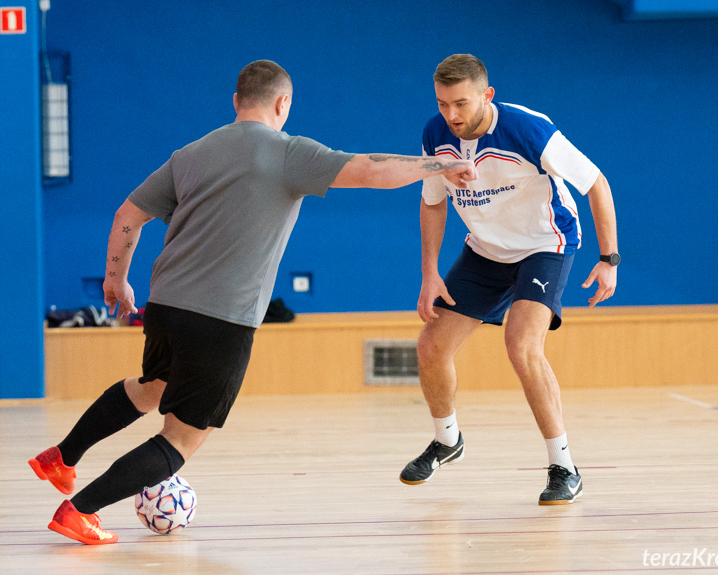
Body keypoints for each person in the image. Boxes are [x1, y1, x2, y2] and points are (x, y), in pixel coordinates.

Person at [29, 59, 478, 545]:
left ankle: (61, 457)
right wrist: (440, 163)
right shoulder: (289, 153)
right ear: (282, 103)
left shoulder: (191, 153)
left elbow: (126, 216)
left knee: (153, 387)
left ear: (236, 102)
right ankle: (78, 510)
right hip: (221, 319)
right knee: (181, 438)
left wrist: (116, 282)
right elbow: (372, 170)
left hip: (164, 306)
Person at [398, 54, 618, 505]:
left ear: (486, 95)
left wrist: (609, 259)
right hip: (485, 250)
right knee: (430, 346)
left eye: (460, 103)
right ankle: (447, 441)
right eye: (442, 104)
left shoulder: (528, 129)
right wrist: (429, 273)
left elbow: (596, 183)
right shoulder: (435, 135)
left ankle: (564, 467)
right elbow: (433, 201)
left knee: (521, 344)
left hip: (545, 245)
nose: (451, 115)